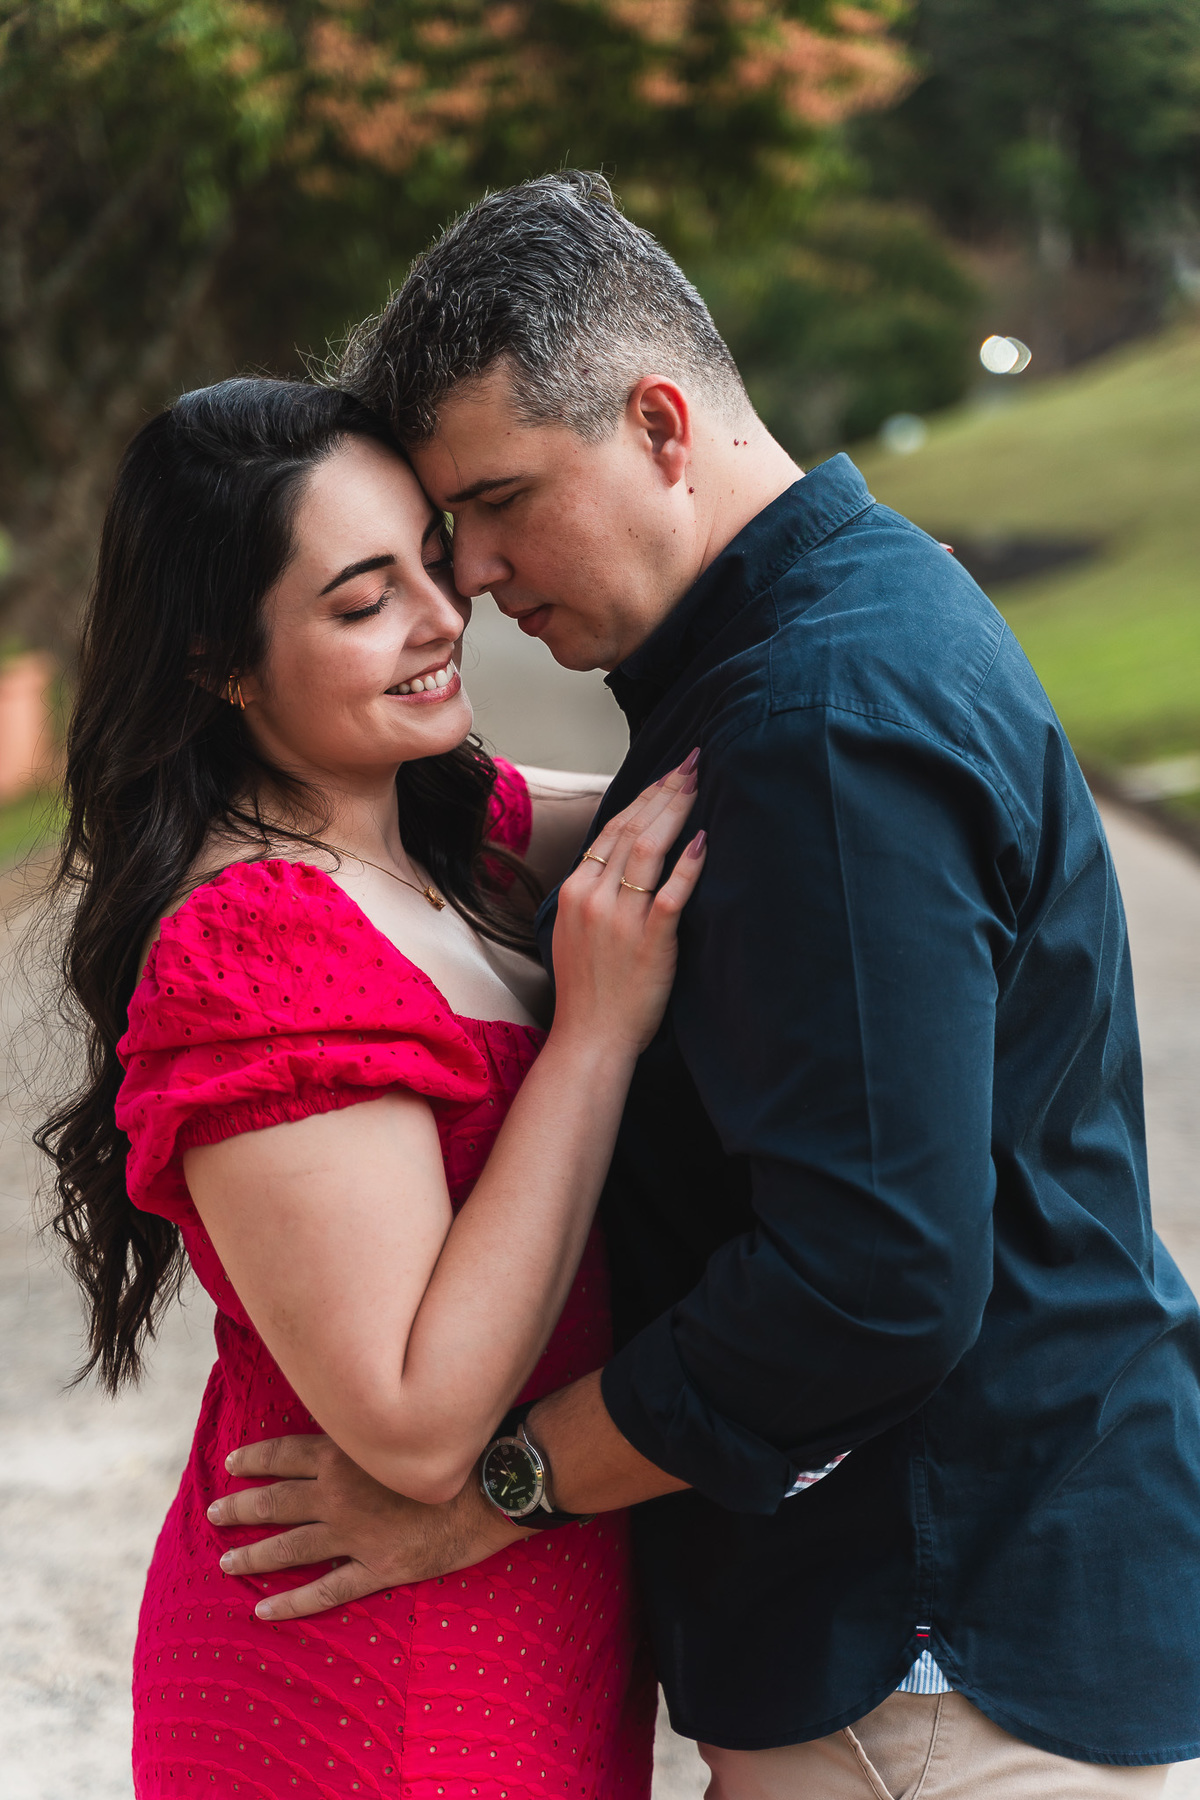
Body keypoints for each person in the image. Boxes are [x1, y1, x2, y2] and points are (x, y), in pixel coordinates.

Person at [215, 173, 1200, 1797]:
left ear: (661, 426)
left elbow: (869, 1282)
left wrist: (509, 1484)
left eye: (499, 502)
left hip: (934, 1655)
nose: (473, 575)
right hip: (948, 1625)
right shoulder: (826, 630)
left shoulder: (820, 721)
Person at [38, 374, 710, 1798]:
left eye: (430, 556)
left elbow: (696, 795)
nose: (441, 615)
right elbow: (413, 1418)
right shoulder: (253, 943)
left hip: (523, 1619)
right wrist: (592, 1040)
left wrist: (844, 606)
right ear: (221, 659)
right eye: (362, 600)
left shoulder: (447, 827)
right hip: (367, 1674)